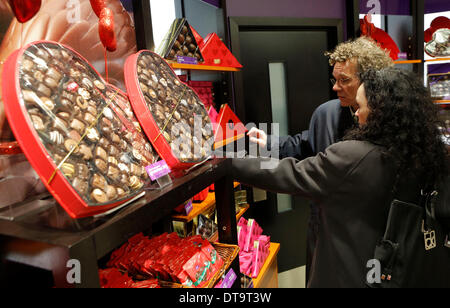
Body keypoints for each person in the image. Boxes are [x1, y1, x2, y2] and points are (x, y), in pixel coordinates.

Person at [233, 68, 449, 287]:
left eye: (360, 106)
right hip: (406, 270)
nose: (356, 113)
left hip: (352, 272)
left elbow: (286, 173)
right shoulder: (426, 154)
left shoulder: (353, 156)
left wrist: (228, 161)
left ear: (380, 112)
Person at [248, 37, 394, 282]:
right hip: (323, 227)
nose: (335, 87)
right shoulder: (325, 113)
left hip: (368, 234)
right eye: (334, 80)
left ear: (370, 80)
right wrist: (269, 143)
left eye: (344, 80)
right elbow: (304, 144)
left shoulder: (393, 121)